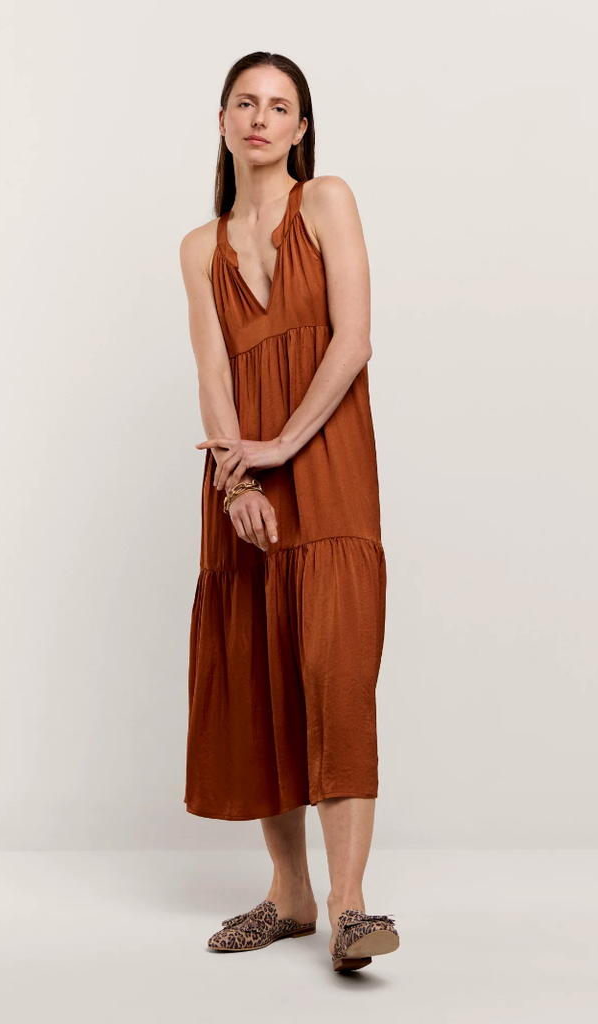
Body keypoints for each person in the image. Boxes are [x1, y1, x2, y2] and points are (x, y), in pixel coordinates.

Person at [178, 52, 399, 972]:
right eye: (246, 102)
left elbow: (354, 341)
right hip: (245, 482)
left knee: (336, 674)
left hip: (328, 465)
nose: (261, 117)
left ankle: (351, 907)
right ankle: (290, 895)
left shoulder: (328, 202)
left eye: (279, 106)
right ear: (223, 121)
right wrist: (237, 484)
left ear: (301, 129)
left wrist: (279, 448)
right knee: (264, 668)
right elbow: (213, 376)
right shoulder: (200, 248)